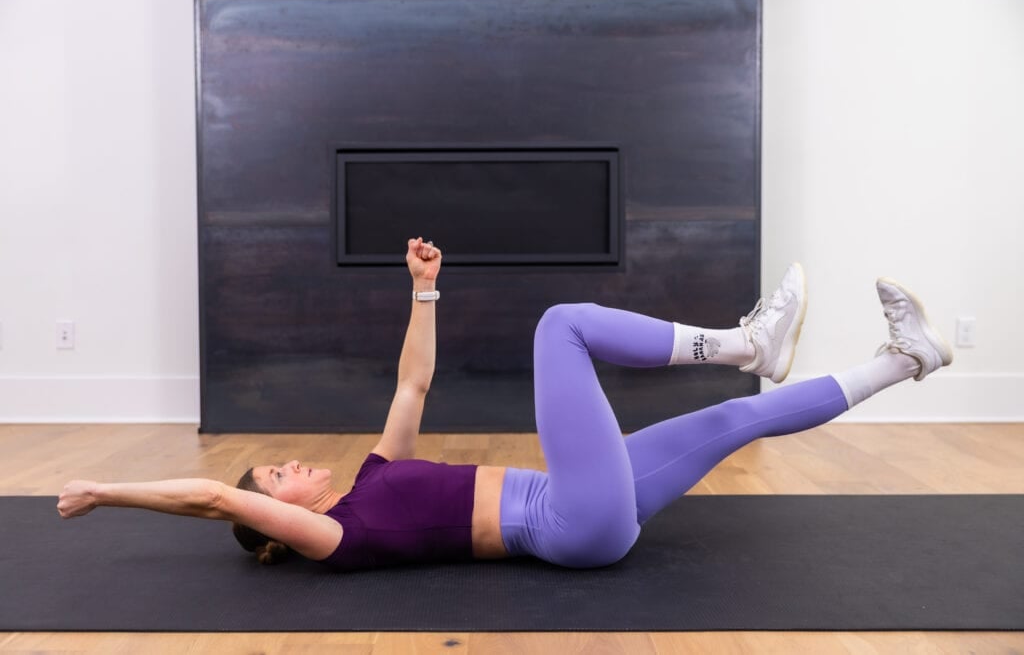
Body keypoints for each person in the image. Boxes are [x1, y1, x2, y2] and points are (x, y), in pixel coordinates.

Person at [57, 237, 953, 571]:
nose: (290, 466)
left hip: (595, 515)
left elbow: (411, 383)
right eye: (277, 478)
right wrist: (106, 488)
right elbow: (215, 496)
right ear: (277, 521)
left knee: (736, 419)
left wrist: (424, 292)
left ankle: (905, 360)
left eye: (280, 464)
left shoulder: (376, 474)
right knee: (560, 324)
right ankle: (744, 345)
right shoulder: (338, 536)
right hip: (570, 520)